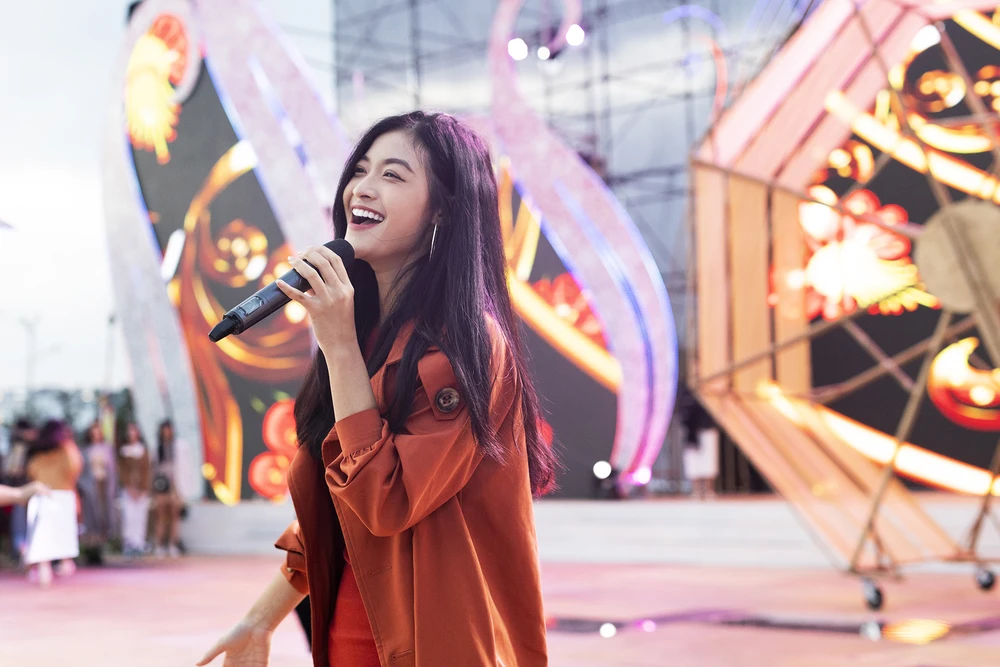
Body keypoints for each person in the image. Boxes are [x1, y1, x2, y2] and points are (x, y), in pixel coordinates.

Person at [200, 111, 556, 667]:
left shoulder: (466, 346)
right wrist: (259, 620)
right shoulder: (363, 334)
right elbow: (336, 509)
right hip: (352, 645)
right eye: (360, 170)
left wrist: (338, 345)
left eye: (392, 175)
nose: (361, 189)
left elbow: (386, 501)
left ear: (442, 209)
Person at [25, 420, 84, 585]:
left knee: (42, 539)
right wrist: (69, 444)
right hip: (62, 497)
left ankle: (44, 569)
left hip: (42, 496)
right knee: (64, 538)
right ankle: (64, 568)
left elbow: (31, 471)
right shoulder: (66, 449)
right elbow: (75, 467)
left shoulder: (37, 453)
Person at [77, 421, 119, 565]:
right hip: (90, 488)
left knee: (103, 518)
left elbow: (113, 471)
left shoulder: (107, 449)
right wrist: (84, 487)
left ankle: (100, 549)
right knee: (91, 519)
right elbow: (80, 471)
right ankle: (91, 551)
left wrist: (113, 489)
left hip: (103, 487)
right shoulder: (85, 450)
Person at [2, 418, 36, 561]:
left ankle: (25, 554)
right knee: (19, 524)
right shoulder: (16, 448)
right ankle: (22, 553)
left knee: (25, 524)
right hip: (18, 492)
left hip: (28, 491)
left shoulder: (33, 449)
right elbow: (10, 471)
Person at [117, 421, 152, 557]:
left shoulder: (143, 451)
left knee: (140, 517)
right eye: (129, 431)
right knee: (129, 517)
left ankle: (139, 543)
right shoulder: (124, 451)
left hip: (141, 490)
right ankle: (129, 543)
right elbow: (121, 471)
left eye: (134, 430)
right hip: (128, 490)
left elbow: (147, 471)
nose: (131, 433)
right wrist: (129, 487)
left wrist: (143, 488)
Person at [150, 419, 184, 558]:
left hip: (175, 485)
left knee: (174, 516)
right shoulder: (157, 449)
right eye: (164, 430)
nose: (167, 433)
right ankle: (159, 545)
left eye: (169, 430)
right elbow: (154, 470)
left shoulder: (178, 448)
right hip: (161, 485)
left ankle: (173, 544)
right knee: (161, 516)